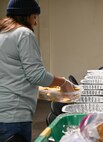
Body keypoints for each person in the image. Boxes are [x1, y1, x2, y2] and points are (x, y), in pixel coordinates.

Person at [0, 0, 76, 141]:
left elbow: (10, 73)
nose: (35, 22)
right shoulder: (24, 34)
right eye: (34, 17)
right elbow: (37, 75)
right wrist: (63, 82)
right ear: (25, 16)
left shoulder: (3, 33)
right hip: (14, 114)